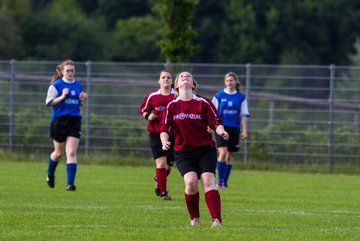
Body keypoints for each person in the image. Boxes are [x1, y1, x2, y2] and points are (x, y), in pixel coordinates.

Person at [160, 71, 229, 228]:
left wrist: (221, 131)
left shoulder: (203, 102)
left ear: (193, 84)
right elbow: (164, 128)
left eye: (188, 76)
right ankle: (195, 219)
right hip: (183, 152)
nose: (185, 77)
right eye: (181, 76)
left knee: (207, 181)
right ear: (176, 85)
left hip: (205, 149)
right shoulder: (172, 105)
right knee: (191, 183)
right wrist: (164, 142)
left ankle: (216, 220)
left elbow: (216, 122)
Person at [45, 59, 88, 191]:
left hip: (74, 120)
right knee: (58, 153)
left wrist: (81, 99)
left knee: (71, 152)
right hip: (59, 121)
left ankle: (70, 184)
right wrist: (62, 96)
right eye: (68, 70)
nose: (70, 73)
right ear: (62, 71)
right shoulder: (56, 85)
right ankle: (50, 174)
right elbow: (49, 102)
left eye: (72, 70)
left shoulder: (78, 85)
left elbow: (76, 104)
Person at [139, 70, 176, 200]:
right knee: (161, 163)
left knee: (168, 167)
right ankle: (164, 193)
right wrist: (148, 116)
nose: (166, 79)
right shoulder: (153, 96)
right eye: (163, 77)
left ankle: (158, 180)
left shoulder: (176, 96)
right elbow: (143, 110)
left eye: (168, 77)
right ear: (159, 81)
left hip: (173, 134)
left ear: (172, 81)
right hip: (156, 133)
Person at [212, 72, 249, 188]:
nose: (229, 83)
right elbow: (212, 113)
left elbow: (243, 115)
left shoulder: (241, 97)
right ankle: (220, 180)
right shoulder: (219, 96)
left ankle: (224, 182)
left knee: (228, 156)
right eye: (227, 80)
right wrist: (208, 127)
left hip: (234, 128)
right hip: (221, 128)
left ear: (235, 82)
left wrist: (244, 130)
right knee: (222, 153)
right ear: (225, 82)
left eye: (231, 80)